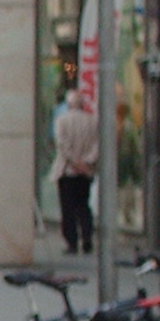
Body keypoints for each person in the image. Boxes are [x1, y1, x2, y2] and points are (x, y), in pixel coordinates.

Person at [54, 92, 98, 254]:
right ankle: (87, 238)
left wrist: (74, 161)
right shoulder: (93, 121)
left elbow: (62, 144)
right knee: (83, 206)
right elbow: (97, 145)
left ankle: (72, 242)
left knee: (68, 208)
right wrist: (85, 162)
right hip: (85, 171)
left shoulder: (62, 121)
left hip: (67, 170)